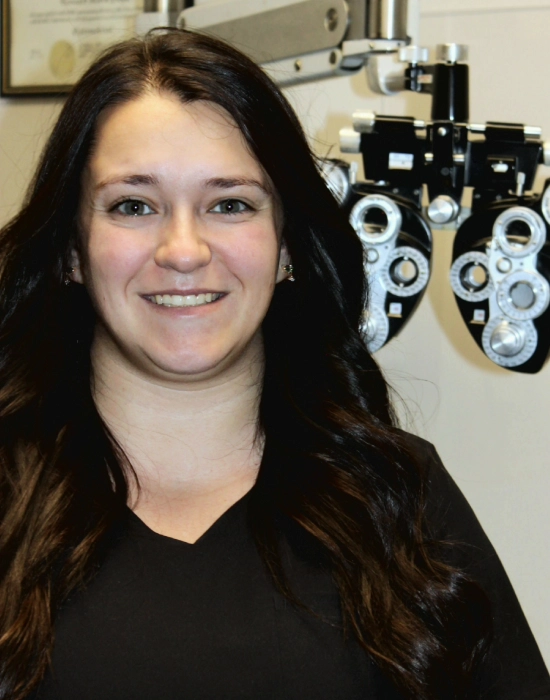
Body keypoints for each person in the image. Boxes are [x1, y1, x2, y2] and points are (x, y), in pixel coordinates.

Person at [0, 27, 548, 700]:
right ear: (71, 251)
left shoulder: (397, 496)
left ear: (287, 246)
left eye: (230, 203)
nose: (183, 249)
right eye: (133, 205)